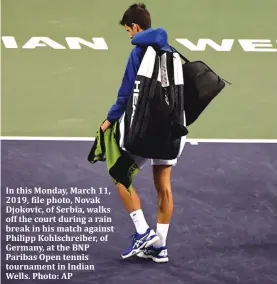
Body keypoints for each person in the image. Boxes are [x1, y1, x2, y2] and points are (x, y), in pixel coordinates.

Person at [100, 3, 186, 263]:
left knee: (119, 174)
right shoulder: (170, 51)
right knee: (164, 186)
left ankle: (141, 231)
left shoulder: (139, 52)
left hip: (145, 130)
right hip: (173, 128)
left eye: (129, 31)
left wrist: (108, 120)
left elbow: (126, 94)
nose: (130, 36)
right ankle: (160, 246)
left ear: (135, 27)